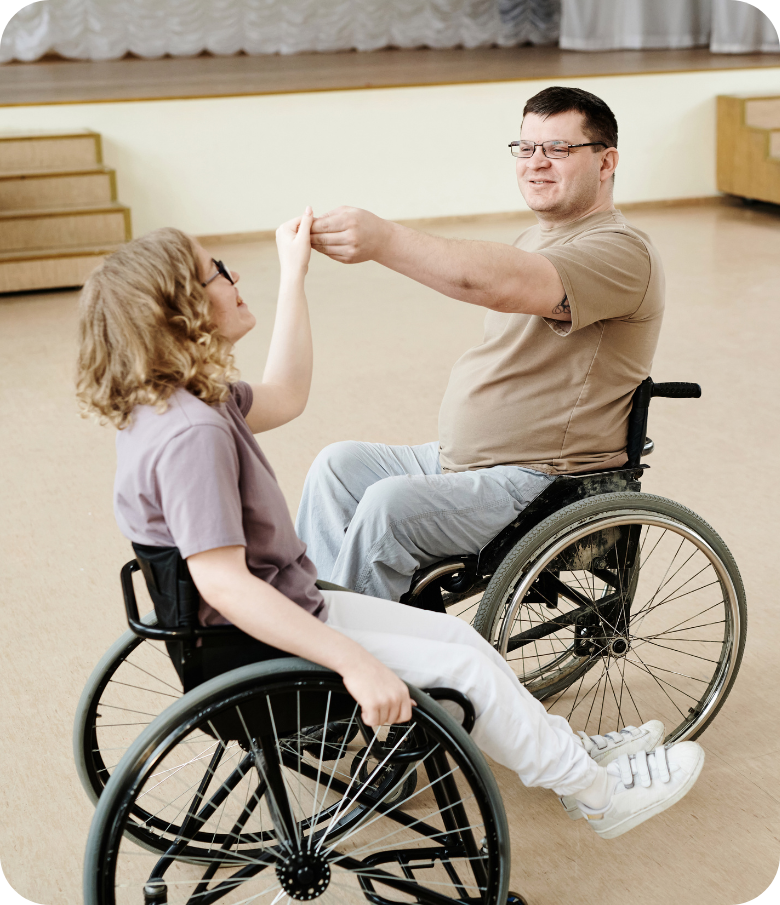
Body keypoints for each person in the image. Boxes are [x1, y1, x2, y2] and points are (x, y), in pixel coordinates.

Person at [75, 210, 702, 839]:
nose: (235, 274)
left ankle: (569, 753)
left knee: (462, 645)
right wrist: (355, 663)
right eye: (217, 272)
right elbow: (225, 585)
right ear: (182, 307)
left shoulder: (186, 402)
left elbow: (287, 392)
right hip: (268, 643)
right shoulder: (193, 434)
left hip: (286, 613)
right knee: (468, 671)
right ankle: (598, 795)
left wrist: (295, 274)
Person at [296, 86, 664, 605]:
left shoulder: (622, 253)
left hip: (543, 480)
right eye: (526, 148)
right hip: (467, 463)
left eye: (558, 149)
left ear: (607, 162)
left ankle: (353, 661)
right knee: (337, 466)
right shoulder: (535, 238)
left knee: (387, 505)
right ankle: (316, 624)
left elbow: (490, 283)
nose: (536, 163)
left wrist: (382, 241)